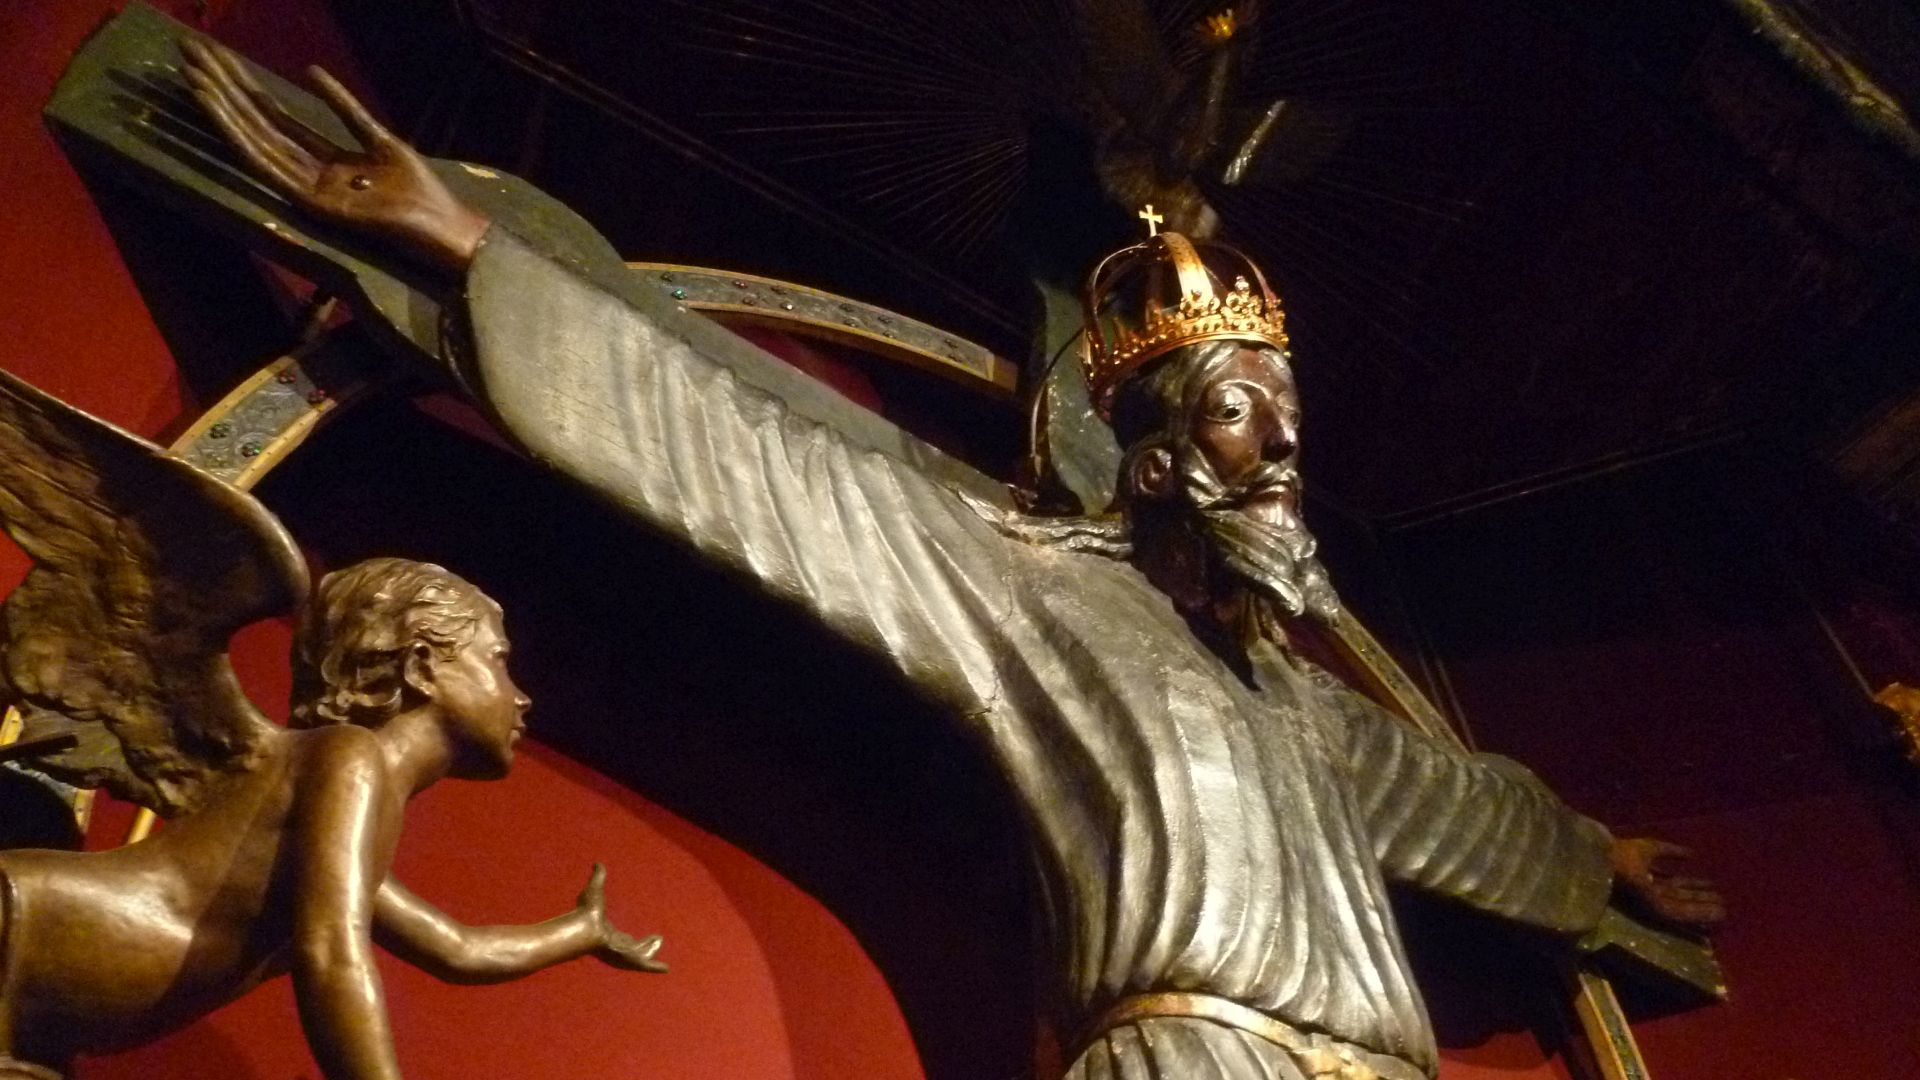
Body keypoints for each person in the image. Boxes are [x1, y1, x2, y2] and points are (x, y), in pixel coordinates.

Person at [183, 41, 1722, 1080]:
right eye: (1243, 413)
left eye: (1290, 420)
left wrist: (1593, 863)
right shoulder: (1033, 592)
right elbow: (750, 458)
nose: (1281, 453)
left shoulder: (1305, 713)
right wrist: (474, 251)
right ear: (1156, 460)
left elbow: (1455, 807)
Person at [0, 555, 665, 1080]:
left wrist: (581, 930)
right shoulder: (348, 756)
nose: (521, 697)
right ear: (422, 666)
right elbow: (331, 954)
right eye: (498, 659)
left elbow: (457, 949)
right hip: (28, 930)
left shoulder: (336, 809)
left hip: (46, 979)